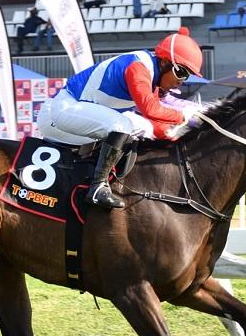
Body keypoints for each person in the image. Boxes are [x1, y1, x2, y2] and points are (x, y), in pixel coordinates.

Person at [36, 28, 204, 209]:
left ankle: (109, 176)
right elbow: (150, 110)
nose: (182, 81)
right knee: (122, 125)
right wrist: (183, 116)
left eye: (187, 76)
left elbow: (157, 126)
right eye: (181, 72)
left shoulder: (153, 78)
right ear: (164, 62)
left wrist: (182, 138)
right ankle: (97, 187)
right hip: (60, 113)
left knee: (144, 127)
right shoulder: (138, 68)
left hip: (74, 113)